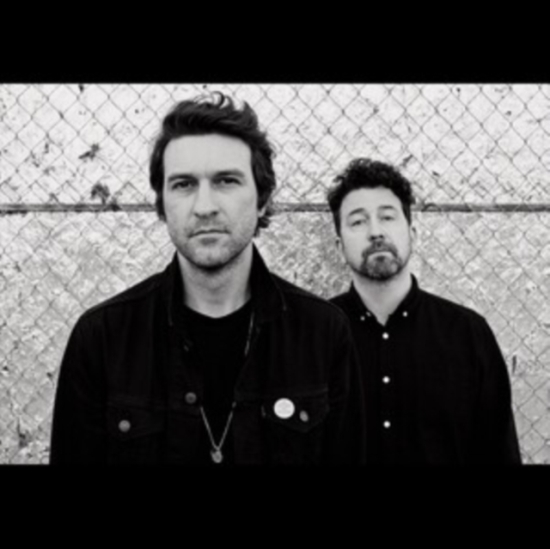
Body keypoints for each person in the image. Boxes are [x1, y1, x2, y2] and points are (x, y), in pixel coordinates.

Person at [49, 92, 364, 465]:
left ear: (262, 199)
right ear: (162, 205)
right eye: (183, 184)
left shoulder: (323, 334)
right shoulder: (102, 340)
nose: (204, 207)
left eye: (226, 181)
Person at [327, 158, 521, 464]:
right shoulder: (313, 335)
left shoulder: (468, 334)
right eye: (358, 222)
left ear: (413, 235)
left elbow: (498, 452)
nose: (375, 232)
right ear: (339, 247)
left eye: (387, 217)